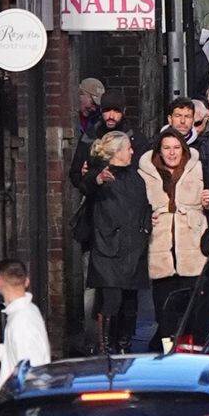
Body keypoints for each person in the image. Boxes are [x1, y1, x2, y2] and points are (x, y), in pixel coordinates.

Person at [80, 129, 152, 353]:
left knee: (131, 304)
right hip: (109, 248)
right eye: (127, 148)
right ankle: (105, 347)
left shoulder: (135, 176)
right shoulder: (101, 172)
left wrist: (148, 221)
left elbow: (143, 205)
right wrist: (99, 178)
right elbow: (86, 185)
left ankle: (124, 345)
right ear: (116, 152)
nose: (132, 151)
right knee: (112, 301)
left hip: (134, 247)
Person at [141, 127, 209, 344]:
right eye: (167, 148)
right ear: (159, 151)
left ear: (184, 149)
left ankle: (191, 350)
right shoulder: (144, 173)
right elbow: (135, 206)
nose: (172, 153)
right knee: (164, 313)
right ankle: (166, 353)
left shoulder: (198, 168)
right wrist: (145, 218)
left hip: (192, 251)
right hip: (161, 251)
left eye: (176, 148)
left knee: (192, 310)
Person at [0, 258, 50, 385]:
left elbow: (31, 372)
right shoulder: (28, 310)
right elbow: (13, 358)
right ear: (26, 281)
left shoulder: (22, 321)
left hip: (23, 401)